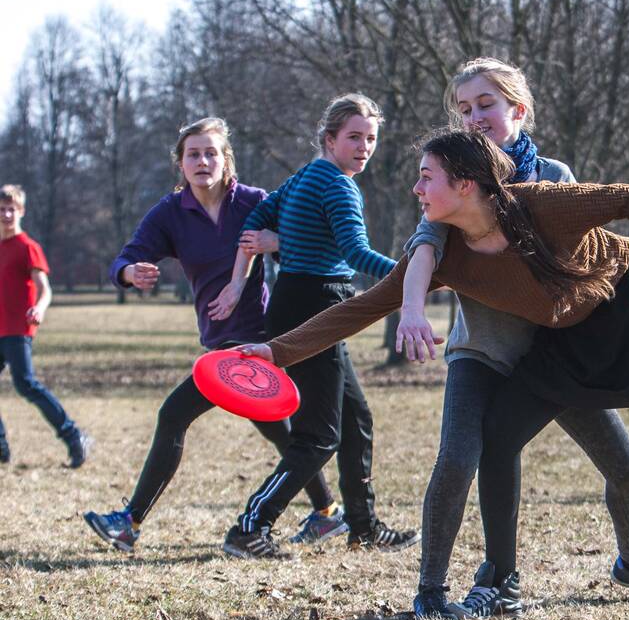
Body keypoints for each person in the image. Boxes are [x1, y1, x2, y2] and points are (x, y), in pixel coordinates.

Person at [240, 130, 629, 620]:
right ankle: (502, 581)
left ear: (465, 184)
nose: (416, 188)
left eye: (426, 176)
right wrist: (275, 352)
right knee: (497, 436)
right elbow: (362, 306)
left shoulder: (542, 202)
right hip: (562, 343)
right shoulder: (447, 252)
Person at [397, 58, 629, 619]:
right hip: (481, 351)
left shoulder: (553, 175)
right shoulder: (456, 175)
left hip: (551, 354)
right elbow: (424, 244)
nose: (475, 117)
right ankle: (438, 589)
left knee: (625, 467)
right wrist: (410, 307)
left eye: (486, 105)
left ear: (518, 111)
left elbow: (586, 250)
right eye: (465, 108)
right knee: (460, 458)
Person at [82, 118, 344, 553]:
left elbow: (307, 238)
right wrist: (129, 272)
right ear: (180, 164)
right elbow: (126, 256)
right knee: (280, 431)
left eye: (211, 153)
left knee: (174, 415)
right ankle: (327, 513)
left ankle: (128, 522)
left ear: (226, 162)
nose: (202, 161)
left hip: (263, 340)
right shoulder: (172, 213)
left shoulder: (255, 202)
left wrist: (272, 240)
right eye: (193, 154)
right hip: (220, 344)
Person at [214, 93, 417, 558]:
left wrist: (281, 241)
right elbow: (355, 253)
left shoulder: (307, 175)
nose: (363, 147)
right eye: (353, 138)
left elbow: (257, 219)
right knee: (319, 435)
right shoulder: (339, 185)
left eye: (370, 139)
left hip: (298, 300)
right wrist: (417, 274)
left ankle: (363, 527)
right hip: (316, 306)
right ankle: (250, 528)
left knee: (356, 419)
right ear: (330, 139)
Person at [0, 184, 89, 468]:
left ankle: (74, 436)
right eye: (1, 210)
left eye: (11, 209)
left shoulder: (29, 247)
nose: (6, 214)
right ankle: (1, 448)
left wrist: (39, 307)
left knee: (26, 385)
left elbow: (45, 288)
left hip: (17, 328)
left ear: (21, 211)